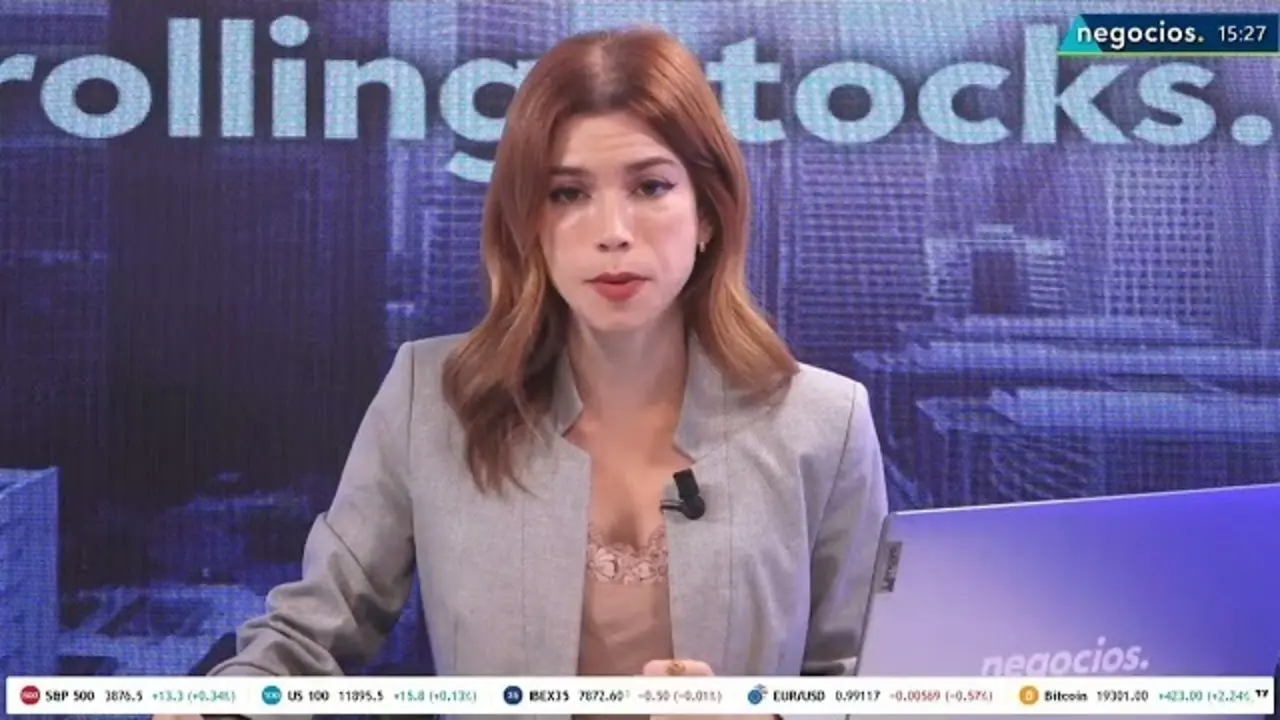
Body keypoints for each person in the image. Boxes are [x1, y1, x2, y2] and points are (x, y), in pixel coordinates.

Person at [156, 24, 887, 720]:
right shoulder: (431, 397)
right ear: (528, 222)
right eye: (568, 193)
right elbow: (307, 639)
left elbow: (866, 684)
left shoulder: (824, 422)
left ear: (707, 213)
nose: (612, 232)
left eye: (650, 187)